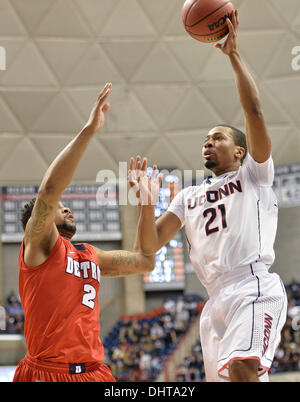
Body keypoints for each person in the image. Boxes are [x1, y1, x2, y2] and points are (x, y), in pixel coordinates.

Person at [129, 11, 288, 382]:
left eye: (218, 137)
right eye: (205, 139)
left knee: (242, 368)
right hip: (215, 300)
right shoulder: (188, 196)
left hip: (253, 285)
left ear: (239, 152)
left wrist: (233, 55)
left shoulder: (255, 174)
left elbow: (255, 111)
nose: (208, 142)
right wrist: (146, 204)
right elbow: (146, 251)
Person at [13, 83, 155, 382]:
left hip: (95, 373)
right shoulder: (37, 247)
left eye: (66, 206)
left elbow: (145, 260)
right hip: (48, 372)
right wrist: (90, 130)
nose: (66, 209)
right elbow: (49, 191)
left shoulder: (89, 255)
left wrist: (146, 203)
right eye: (58, 208)